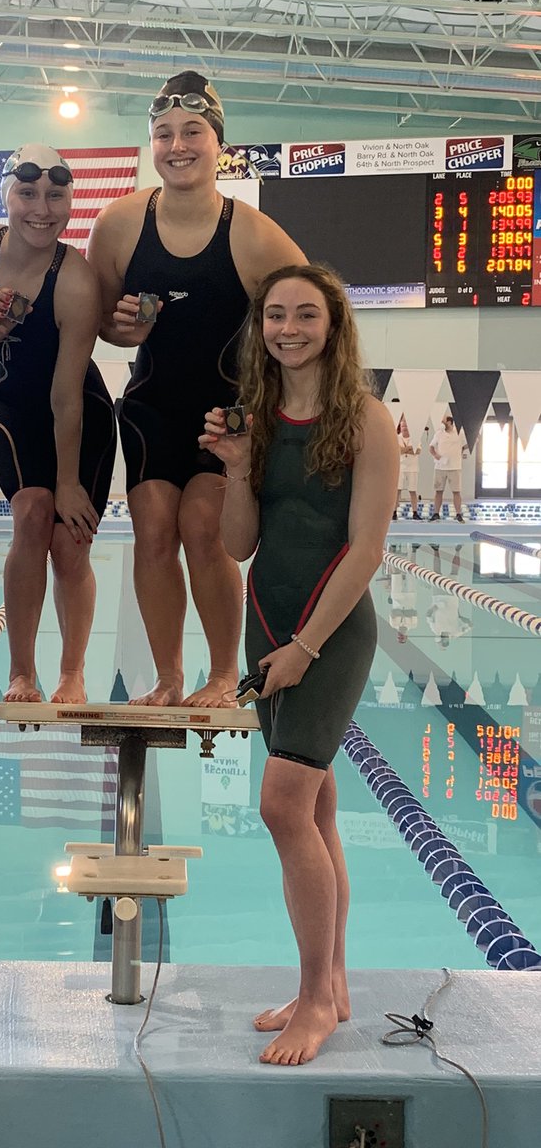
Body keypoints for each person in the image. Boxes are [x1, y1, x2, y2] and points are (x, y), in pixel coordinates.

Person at [201, 264, 398, 1066]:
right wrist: (238, 467)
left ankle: (315, 1001)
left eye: (305, 314)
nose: (289, 327)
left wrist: (306, 647)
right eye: (276, 314)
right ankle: (333, 984)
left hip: (330, 632)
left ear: (333, 324)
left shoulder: (367, 420)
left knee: (283, 804)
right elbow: (237, 544)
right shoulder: (257, 420)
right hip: (265, 622)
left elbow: (367, 550)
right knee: (312, 810)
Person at [87, 71, 306, 707]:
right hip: (153, 405)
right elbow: (101, 319)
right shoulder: (121, 223)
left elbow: (315, 308)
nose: (177, 145)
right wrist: (124, 329)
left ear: (219, 145)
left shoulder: (254, 233)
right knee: (154, 529)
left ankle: (217, 675)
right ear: (150, 144)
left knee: (203, 527)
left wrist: (287, 398)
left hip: (229, 413)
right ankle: (168, 676)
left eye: (192, 132)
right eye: (163, 134)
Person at [0, 143, 116, 704]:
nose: (41, 208)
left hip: (81, 409)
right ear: (6, 196)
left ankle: (72, 673)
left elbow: (67, 394)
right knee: (30, 518)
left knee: (70, 544)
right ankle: (23, 671)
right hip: (11, 403)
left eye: (55, 195)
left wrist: (69, 481)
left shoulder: (78, 279)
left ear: (71, 201)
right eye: (27, 194)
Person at [428, 414, 466, 522]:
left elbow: (466, 445)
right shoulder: (439, 434)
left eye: (444, 421)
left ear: (449, 422)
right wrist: (435, 455)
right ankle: (436, 513)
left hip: (455, 467)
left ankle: (458, 514)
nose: (442, 423)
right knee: (438, 491)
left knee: (456, 491)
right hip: (440, 467)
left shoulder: (459, 433)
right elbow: (431, 447)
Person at [395, 413, 421, 519]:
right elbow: (397, 451)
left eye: (406, 425)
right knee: (397, 491)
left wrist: (404, 450)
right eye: (403, 425)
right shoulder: (397, 437)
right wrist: (409, 449)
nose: (404, 427)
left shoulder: (415, 437)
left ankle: (415, 512)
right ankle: (393, 512)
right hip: (400, 467)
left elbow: (418, 451)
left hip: (412, 468)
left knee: (412, 491)